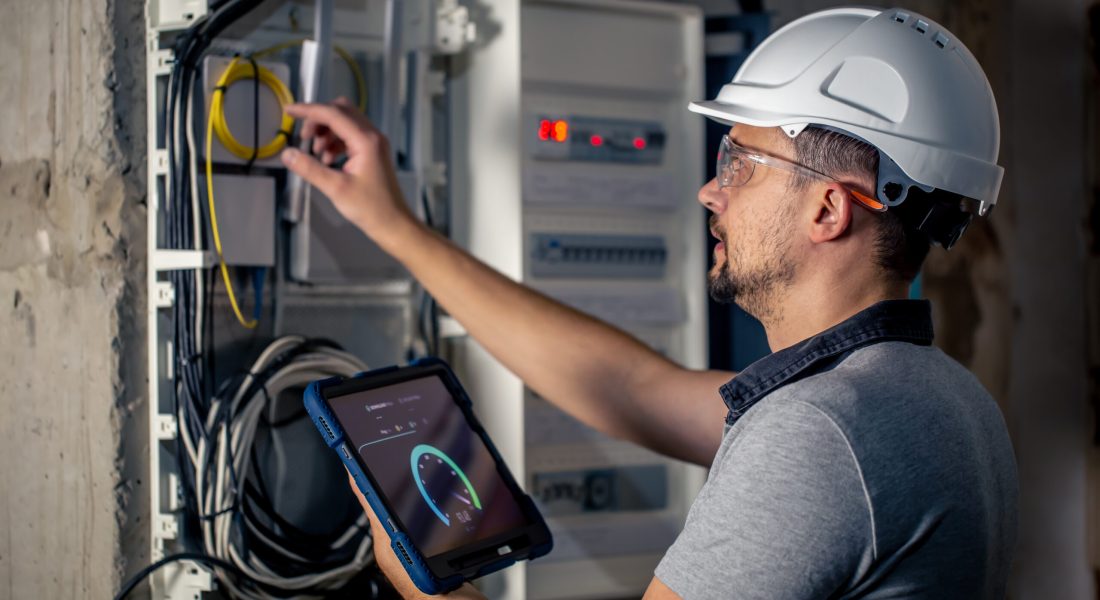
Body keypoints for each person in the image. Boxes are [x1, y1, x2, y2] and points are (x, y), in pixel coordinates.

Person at [281, 6, 1018, 599]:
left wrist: (430, 590)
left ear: (828, 210)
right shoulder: (932, 395)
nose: (710, 189)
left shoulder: (817, 435)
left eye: (741, 163)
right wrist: (396, 227)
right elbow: (631, 389)